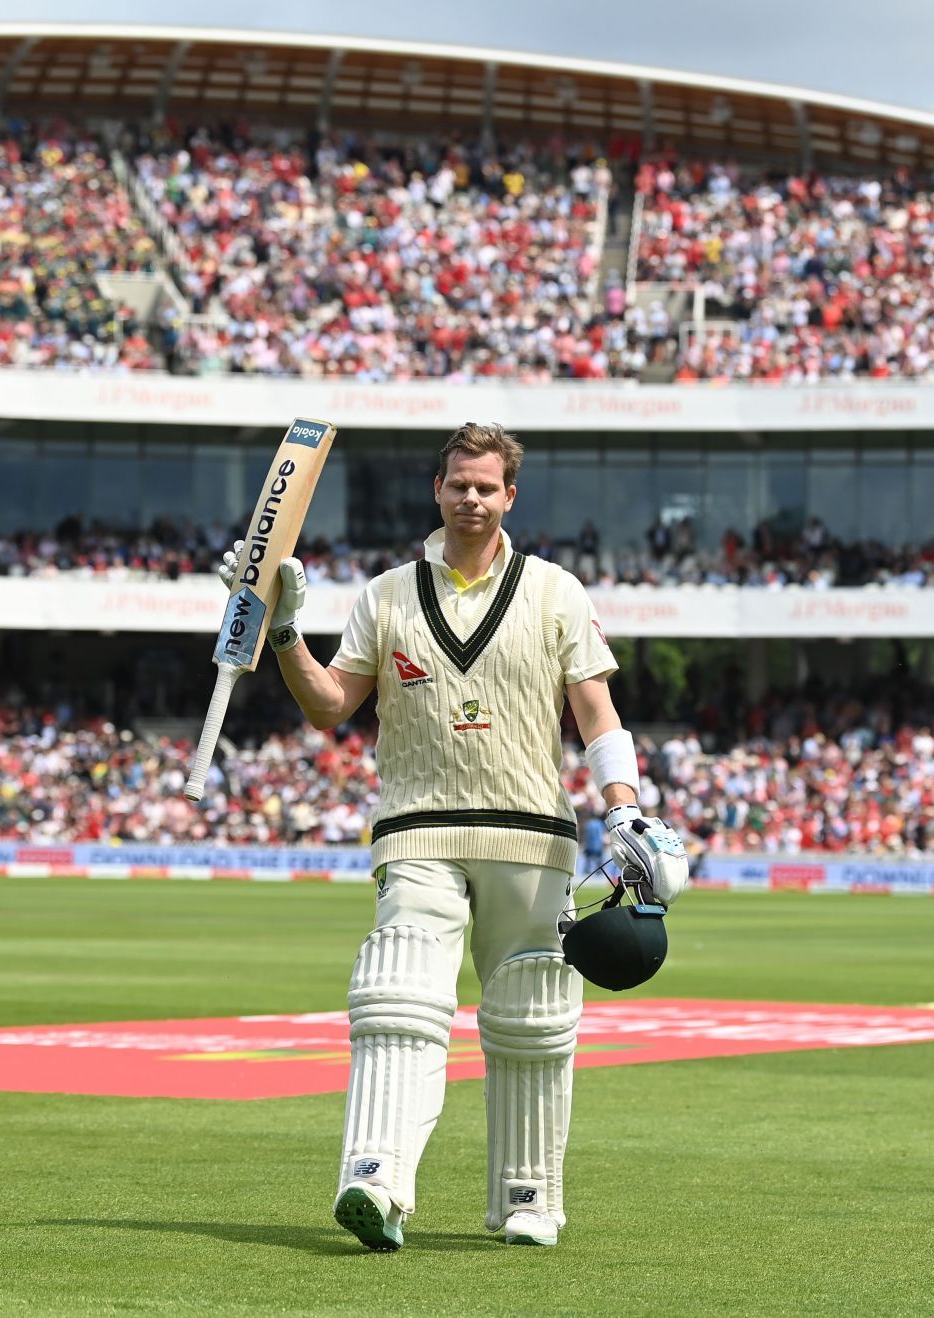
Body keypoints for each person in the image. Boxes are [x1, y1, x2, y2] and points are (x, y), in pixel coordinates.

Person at [223, 421, 686, 1251]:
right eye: (458, 484)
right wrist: (284, 629)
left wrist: (623, 806)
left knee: (535, 1015)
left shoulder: (555, 590)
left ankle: (528, 1197)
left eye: (486, 487)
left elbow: (595, 709)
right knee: (397, 996)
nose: (471, 498)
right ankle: (376, 1181)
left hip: (533, 834)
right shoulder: (387, 594)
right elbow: (331, 705)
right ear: (437, 490)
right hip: (418, 829)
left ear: (510, 496)